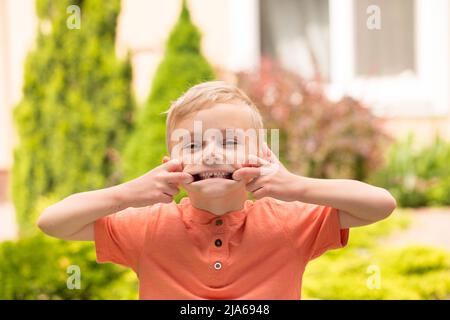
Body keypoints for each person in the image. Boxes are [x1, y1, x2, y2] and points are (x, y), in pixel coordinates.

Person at [37, 81, 396, 299]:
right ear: (169, 164)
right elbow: (53, 222)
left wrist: (294, 186)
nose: (210, 153)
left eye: (228, 141)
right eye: (191, 146)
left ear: (261, 156)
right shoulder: (148, 227)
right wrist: (131, 192)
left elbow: (380, 204)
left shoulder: (288, 222)